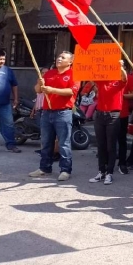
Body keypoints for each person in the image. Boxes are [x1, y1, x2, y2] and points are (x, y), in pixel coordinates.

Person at [29, 51, 80, 181]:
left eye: (63, 57)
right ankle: (44, 168)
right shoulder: (49, 73)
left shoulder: (74, 74)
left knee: (64, 143)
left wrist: (52, 90)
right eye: (58, 57)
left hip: (63, 112)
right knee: (46, 142)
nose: (59, 59)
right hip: (46, 112)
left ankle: (65, 170)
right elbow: (38, 90)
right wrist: (40, 82)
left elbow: (71, 91)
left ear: (70, 61)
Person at [89, 60, 128, 185]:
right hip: (100, 115)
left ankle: (109, 173)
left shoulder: (119, 82)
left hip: (113, 115)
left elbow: (124, 77)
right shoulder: (102, 81)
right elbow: (92, 74)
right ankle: (101, 171)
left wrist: (120, 66)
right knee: (101, 145)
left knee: (111, 146)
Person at [118, 71, 133, 175]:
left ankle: (122, 163)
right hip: (106, 113)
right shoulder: (106, 76)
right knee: (108, 141)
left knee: (122, 139)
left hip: (122, 113)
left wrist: (120, 95)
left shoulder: (128, 78)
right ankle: (106, 165)